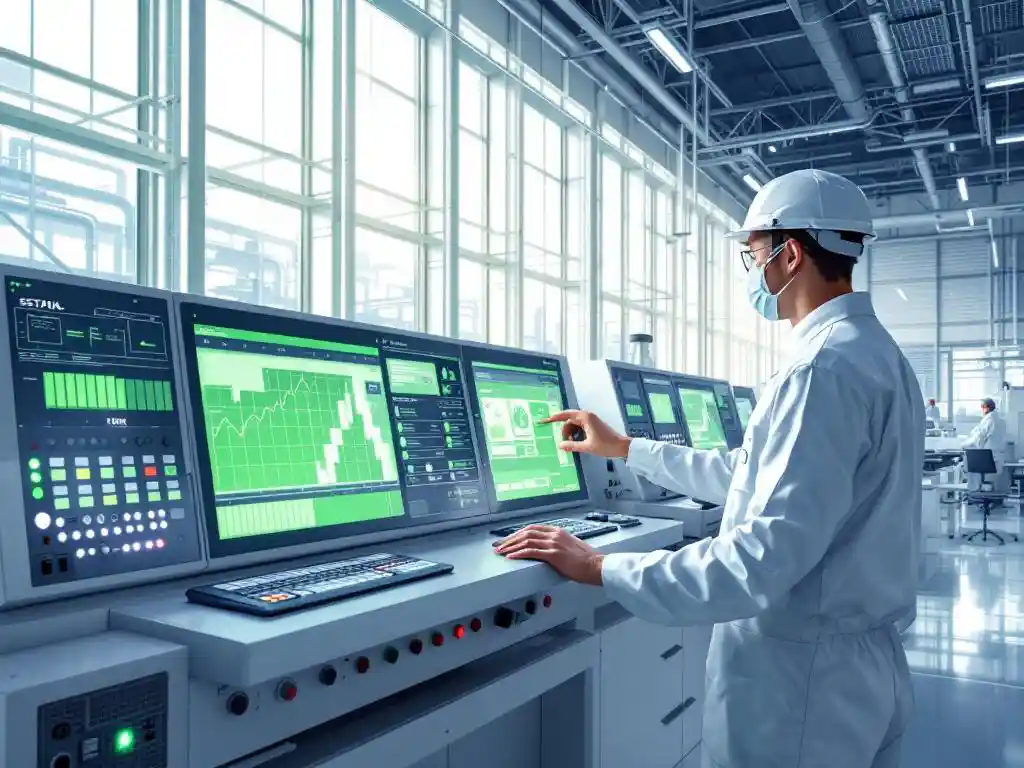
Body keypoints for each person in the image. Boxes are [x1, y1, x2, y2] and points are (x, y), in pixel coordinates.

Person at [495, 169, 923, 768]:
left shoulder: (819, 372)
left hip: (801, 685)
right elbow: (750, 476)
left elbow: (760, 561)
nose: (752, 272)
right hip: (858, 667)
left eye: (752, 255)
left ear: (789, 254)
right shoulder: (877, 357)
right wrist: (625, 449)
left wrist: (599, 566)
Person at [963, 398, 1009, 482]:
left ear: (986, 408)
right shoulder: (1001, 421)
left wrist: (963, 445)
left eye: (982, 407)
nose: (981, 409)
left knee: (965, 462)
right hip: (999, 458)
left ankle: (974, 490)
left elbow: (978, 438)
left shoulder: (989, 420)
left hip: (988, 458)